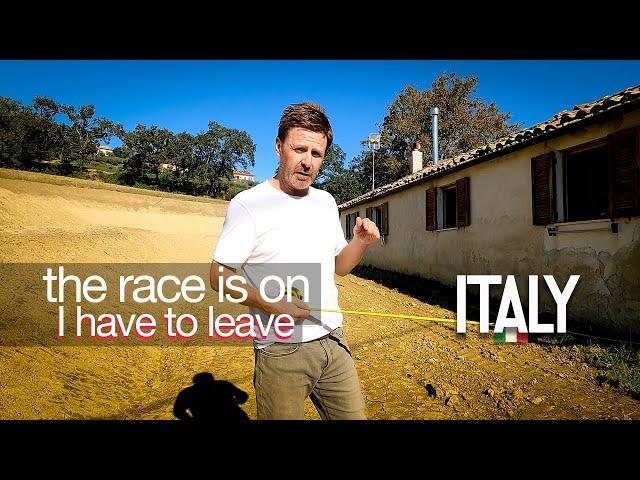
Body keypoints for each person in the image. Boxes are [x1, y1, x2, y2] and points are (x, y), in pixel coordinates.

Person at [210, 102, 380, 419]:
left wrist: (360, 242)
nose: (307, 163)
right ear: (278, 147)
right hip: (280, 350)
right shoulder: (248, 204)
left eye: (316, 154)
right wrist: (272, 305)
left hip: (333, 339)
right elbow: (219, 275)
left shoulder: (326, 202)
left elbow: (339, 268)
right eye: (299, 149)